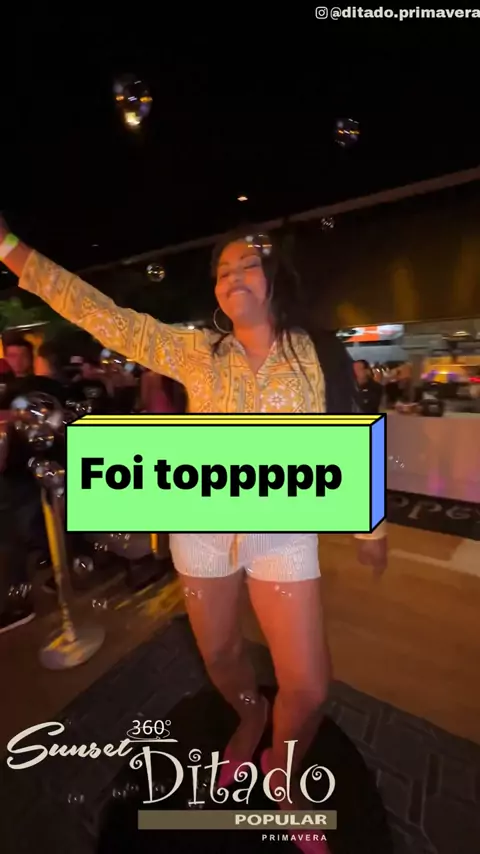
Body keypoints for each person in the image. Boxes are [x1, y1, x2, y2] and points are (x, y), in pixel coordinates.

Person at [0, 219, 387, 854]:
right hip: (202, 531)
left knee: (310, 684)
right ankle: (250, 714)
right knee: (224, 656)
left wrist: (371, 520)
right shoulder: (196, 350)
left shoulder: (314, 351)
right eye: (223, 270)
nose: (233, 277)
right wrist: (9, 248)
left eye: (247, 264)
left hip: (283, 534)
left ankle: (284, 769)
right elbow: (102, 314)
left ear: (273, 275)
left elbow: (349, 428)